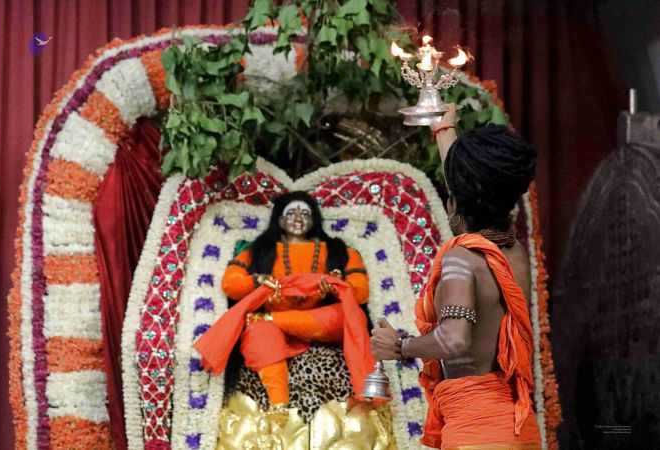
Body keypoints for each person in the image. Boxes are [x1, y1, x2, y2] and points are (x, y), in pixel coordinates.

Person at [370, 105, 542, 449]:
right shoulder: (513, 251)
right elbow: (476, 189)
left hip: (477, 433)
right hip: (517, 427)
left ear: (455, 203)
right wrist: (443, 131)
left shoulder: (462, 259)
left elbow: (454, 339)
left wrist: (400, 346)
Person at [193, 191, 374, 419]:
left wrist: (339, 285)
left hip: (320, 322)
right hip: (272, 321)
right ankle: (279, 405)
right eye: (291, 213)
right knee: (257, 331)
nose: (298, 218)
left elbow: (361, 292)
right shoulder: (261, 249)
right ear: (280, 219)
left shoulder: (338, 250)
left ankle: (272, 320)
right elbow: (230, 283)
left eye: (304, 213)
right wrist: (257, 280)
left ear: (314, 219)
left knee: (350, 315)